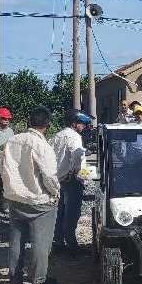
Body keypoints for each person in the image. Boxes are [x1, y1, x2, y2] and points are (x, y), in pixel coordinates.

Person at [0, 105, 61, 284]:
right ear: (47, 125)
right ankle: (38, 279)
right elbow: (49, 175)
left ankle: (15, 278)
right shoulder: (42, 146)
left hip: (15, 197)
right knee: (40, 241)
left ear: (29, 121)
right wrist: (55, 192)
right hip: (39, 200)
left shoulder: (12, 140)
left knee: (16, 239)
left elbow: (4, 167)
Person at [50, 109, 93, 255]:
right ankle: (72, 246)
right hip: (71, 180)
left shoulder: (57, 136)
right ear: (74, 123)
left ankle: (58, 242)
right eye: (82, 123)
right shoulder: (74, 137)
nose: (84, 126)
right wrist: (71, 173)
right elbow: (76, 155)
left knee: (59, 213)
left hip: (58, 180)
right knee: (72, 214)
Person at [0, 107, 15, 213]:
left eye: (8, 119)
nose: (7, 120)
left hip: (5, 162)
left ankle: (3, 206)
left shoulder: (10, 131)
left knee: (4, 185)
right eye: (4, 118)